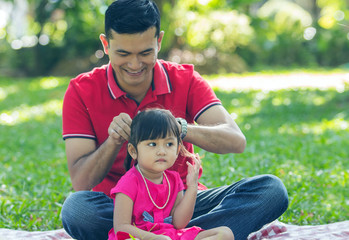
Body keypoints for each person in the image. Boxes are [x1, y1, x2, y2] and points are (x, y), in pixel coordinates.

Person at [61, 0, 289, 240]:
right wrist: (112, 141)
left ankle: (158, 235)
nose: (135, 64)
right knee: (78, 210)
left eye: (145, 53)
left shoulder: (185, 79)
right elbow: (81, 182)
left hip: (181, 202)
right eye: (123, 53)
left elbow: (235, 141)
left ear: (159, 41)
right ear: (106, 45)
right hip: (119, 206)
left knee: (271, 191)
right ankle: (191, 236)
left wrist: (178, 128)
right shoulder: (81, 90)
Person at [108, 108, 234, 240]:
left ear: (178, 149)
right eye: (152, 144)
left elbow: (178, 223)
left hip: (170, 235)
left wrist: (192, 187)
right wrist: (154, 238)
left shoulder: (174, 179)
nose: (162, 151)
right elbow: (121, 227)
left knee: (225, 234)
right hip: (139, 236)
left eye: (169, 144)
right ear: (133, 151)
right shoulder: (129, 182)